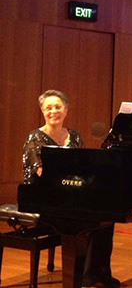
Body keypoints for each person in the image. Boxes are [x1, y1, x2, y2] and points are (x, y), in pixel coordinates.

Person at [22, 89, 120, 288]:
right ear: (42, 111)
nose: (53, 111)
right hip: (42, 199)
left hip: (71, 195)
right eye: (48, 108)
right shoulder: (35, 138)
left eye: (58, 107)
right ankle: (76, 278)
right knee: (81, 220)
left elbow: (83, 168)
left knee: (106, 218)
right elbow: (42, 175)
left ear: (66, 110)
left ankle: (96, 273)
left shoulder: (73, 136)